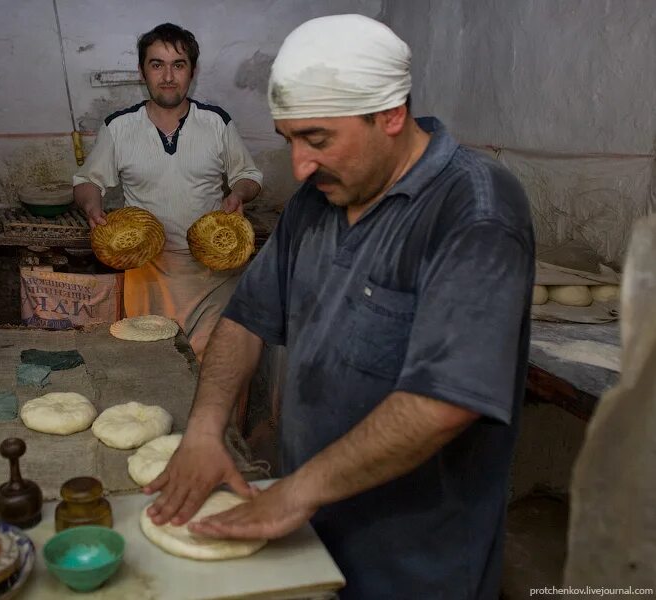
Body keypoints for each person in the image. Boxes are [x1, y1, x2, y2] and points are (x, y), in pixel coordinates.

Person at [145, 14, 535, 600]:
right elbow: (248, 319)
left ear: (391, 116)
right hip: (310, 534)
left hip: (416, 562)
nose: (299, 166)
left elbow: (444, 402)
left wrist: (294, 492)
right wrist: (204, 430)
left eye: (318, 139)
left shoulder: (473, 210)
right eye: (289, 140)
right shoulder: (318, 200)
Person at [73, 23, 263, 359]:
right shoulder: (119, 126)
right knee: (154, 365)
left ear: (193, 71)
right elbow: (88, 180)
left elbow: (248, 175)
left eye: (178, 65)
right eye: (156, 64)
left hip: (212, 272)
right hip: (148, 272)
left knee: (214, 366)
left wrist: (239, 193)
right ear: (142, 71)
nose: (168, 76)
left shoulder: (216, 122)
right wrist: (92, 206)